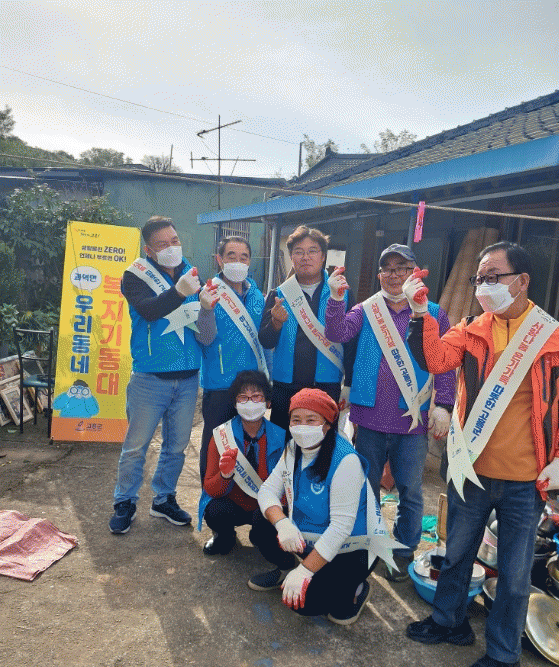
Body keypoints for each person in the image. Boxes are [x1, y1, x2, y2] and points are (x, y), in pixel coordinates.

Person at [404, 241, 559, 667]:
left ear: (522, 281)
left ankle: (503, 654)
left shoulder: (551, 338)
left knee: (514, 576)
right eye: (479, 278)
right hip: (469, 469)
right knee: (456, 554)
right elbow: (435, 360)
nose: (484, 286)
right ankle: (448, 621)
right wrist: (420, 314)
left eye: (494, 277)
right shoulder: (472, 329)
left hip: (526, 480)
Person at [324, 244, 456, 581]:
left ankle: (404, 549)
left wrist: (443, 404)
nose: (394, 275)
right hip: (369, 416)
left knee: (410, 490)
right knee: (366, 486)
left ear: (415, 272)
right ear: (380, 274)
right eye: (387, 269)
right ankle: (368, 542)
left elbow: (444, 362)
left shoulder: (433, 312)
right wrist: (336, 299)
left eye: (401, 268)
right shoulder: (367, 308)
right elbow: (336, 333)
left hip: (412, 418)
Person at [109, 216, 217, 534]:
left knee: (177, 446)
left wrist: (205, 306)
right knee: (135, 447)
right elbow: (149, 310)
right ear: (149, 250)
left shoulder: (191, 272)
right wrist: (179, 292)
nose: (171, 247)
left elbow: (201, 324)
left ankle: (164, 498)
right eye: (162, 244)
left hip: (188, 378)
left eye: (174, 240)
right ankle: (125, 501)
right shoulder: (135, 275)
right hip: (149, 378)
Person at [248, 388, 378, 626]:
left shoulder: (346, 460)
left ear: (327, 424)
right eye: (296, 420)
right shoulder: (293, 448)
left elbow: (341, 527)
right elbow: (267, 491)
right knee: (261, 519)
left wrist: (305, 571)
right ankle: (287, 569)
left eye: (311, 420)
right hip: (312, 537)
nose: (302, 427)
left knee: (307, 604)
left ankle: (357, 587)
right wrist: (283, 524)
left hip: (352, 548)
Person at [258, 226, 355, 432]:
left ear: (323, 256)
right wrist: (275, 323)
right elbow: (265, 341)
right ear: (291, 257)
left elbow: (351, 342)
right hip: (286, 387)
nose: (305, 257)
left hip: (326, 385)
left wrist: (348, 384)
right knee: (283, 442)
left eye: (312, 251)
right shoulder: (279, 294)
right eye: (299, 252)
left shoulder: (341, 293)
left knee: (324, 443)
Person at [198, 236, 268, 481]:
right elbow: (205, 338)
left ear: (249, 262)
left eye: (243, 257)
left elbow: (264, 341)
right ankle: (211, 494)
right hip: (220, 385)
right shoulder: (208, 292)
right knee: (215, 446)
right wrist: (206, 309)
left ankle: (242, 496)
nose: (238, 262)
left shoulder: (257, 295)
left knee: (249, 445)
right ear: (219, 259)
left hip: (251, 388)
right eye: (231, 256)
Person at [198, 370, 286, 555]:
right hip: (233, 504)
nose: (250, 402)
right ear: (235, 403)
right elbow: (210, 489)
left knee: (269, 527)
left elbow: (287, 489)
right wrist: (225, 475)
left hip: (264, 508)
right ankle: (224, 536)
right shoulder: (221, 436)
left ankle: (262, 536)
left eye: (256, 396)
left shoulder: (281, 437)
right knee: (214, 511)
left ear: (268, 402)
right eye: (243, 398)